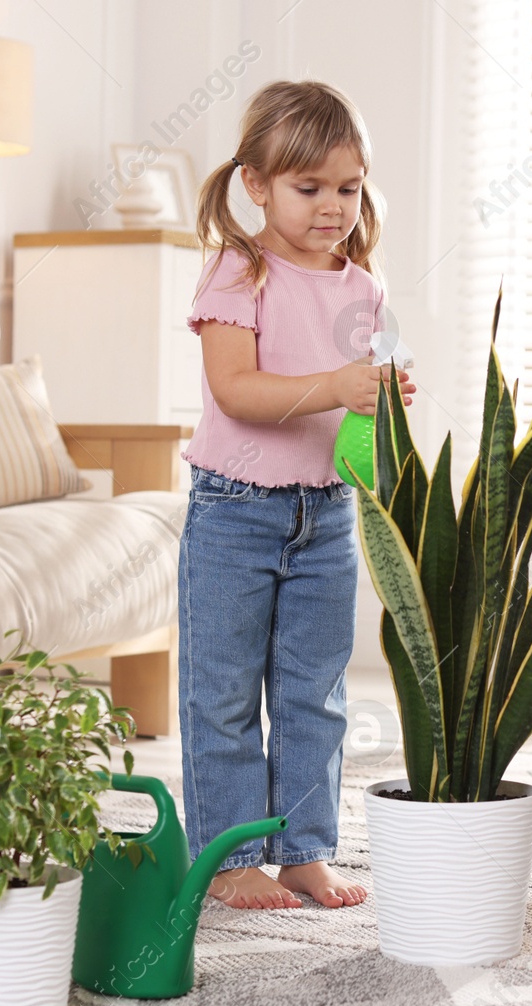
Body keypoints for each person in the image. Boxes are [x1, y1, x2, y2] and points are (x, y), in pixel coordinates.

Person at [179, 80, 414, 910]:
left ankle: (305, 849)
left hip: (328, 517)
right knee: (225, 691)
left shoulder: (364, 287)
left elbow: (360, 394)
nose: (331, 206)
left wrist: (381, 395)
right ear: (256, 183)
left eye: (347, 188)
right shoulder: (237, 270)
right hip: (234, 511)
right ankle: (230, 857)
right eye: (308, 187)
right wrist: (337, 383)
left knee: (316, 690)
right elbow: (237, 391)